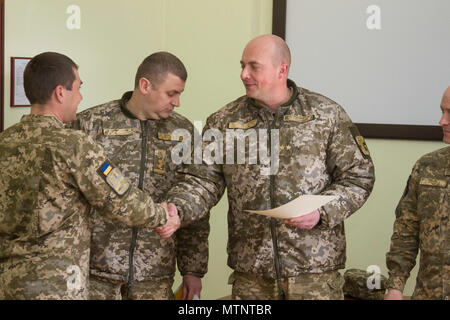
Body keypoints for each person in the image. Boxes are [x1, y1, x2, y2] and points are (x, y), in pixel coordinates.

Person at [166, 34, 375, 300]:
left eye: (254, 66)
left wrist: (322, 211)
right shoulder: (224, 121)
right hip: (252, 275)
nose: (244, 74)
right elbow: (201, 182)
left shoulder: (326, 115)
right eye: (242, 65)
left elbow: (359, 177)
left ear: (282, 70)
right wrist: (177, 208)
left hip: (314, 275)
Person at [0, 52, 180, 300]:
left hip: (9, 283)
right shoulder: (73, 145)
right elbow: (119, 199)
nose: (80, 97)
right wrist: (162, 214)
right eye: (78, 89)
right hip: (58, 286)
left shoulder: (4, 141)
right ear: (60, 93)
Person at [72, 52, 209, 300]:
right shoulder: (91, 125)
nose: (177, 102)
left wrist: (192, 270)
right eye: (171, 93)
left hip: (154, 276)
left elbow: (194, 203)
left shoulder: (183, 132)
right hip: (96, 275)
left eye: (180, 94)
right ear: (145, 85)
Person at [385, 86, 450, 300]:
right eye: (442, 111)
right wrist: (395, 286)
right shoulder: (428, 166)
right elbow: (407, 228)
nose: (442, 121)